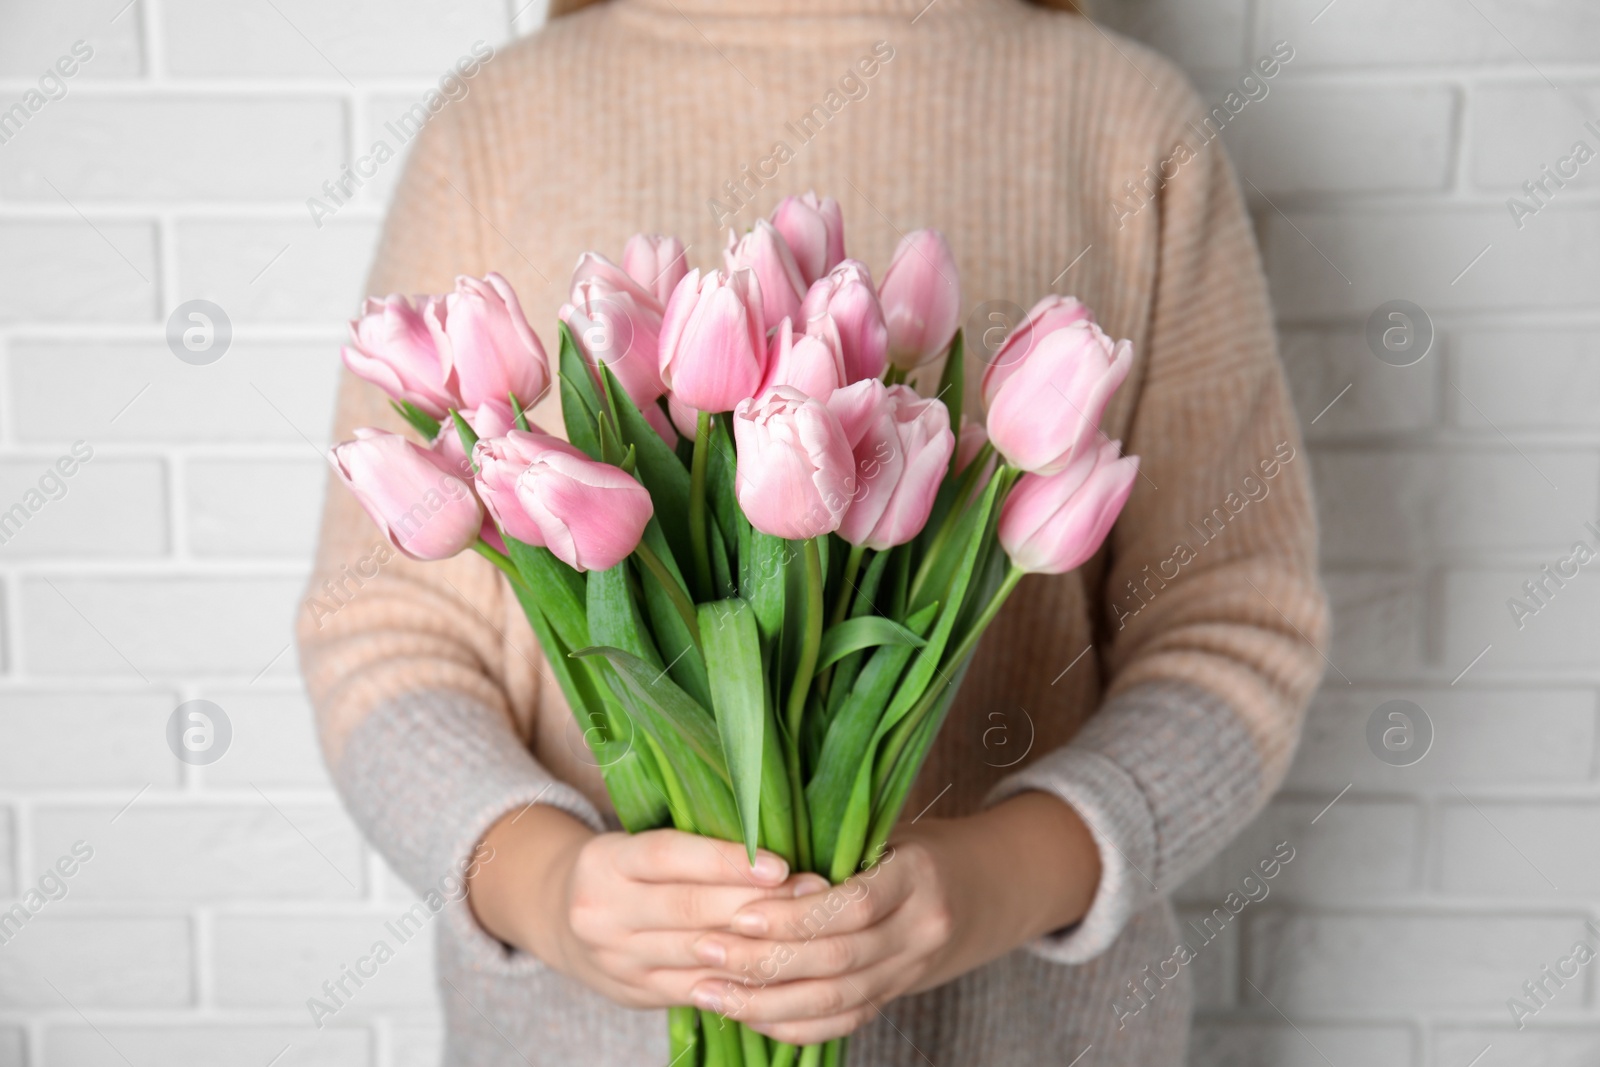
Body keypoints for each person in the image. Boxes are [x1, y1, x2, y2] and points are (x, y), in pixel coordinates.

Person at [298, 0, 1328, 1062]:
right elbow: (384, 632)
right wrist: (547, 885)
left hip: (1023, 1035)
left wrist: (988, 885)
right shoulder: (501, 115)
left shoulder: (1123, 114)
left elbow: (1236, 625)